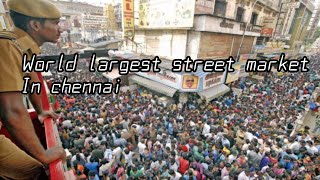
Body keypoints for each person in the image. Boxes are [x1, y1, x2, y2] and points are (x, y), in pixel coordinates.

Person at [0, 0, 65, 179]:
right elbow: (11, 110)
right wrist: (43, 155)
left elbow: (32, 79)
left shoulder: (19, 44)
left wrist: (42, 110)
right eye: (55, 23)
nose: (60, 29)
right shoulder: (7, 46)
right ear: (35, 25)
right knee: (34, 171)